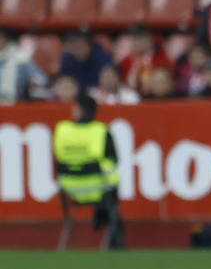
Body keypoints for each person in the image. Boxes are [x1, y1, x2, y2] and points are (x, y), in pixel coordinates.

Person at [53, 92, 123, 249]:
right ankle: (108, 222)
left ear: (79, 109)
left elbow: (58, 159)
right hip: (97, 190)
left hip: (69, 189)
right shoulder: (100, 131)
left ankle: (103, 215)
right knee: (112, 178)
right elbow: (114, 161)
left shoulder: (62, 130)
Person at [0, 28, 47, 102]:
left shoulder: (20, 58)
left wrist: (34, 82)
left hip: (15, 103)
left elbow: (41, 79)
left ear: (5, 40)